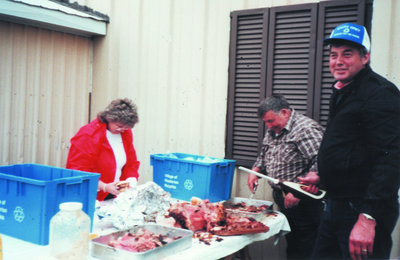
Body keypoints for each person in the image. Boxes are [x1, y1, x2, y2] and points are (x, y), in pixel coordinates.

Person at [299, 23, 400, 260]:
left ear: (365, 57)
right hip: (336, 204)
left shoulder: (380, 93)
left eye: (347, 54)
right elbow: (355, 149)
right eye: (333, 55)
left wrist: (368, 217)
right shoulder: (344, 90)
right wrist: (324, 176)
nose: (338, 61)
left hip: (361, 210)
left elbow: (393, 156)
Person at [247, 95, 325, 260]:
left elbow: (322, 163)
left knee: (306, 245)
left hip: (304, 200)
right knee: (293, 241)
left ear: (284, 112)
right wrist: (255, 169)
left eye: (271, 121)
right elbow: (264, 153)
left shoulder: (306, 128)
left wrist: (298, 192)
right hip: (283, 196)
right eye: (266, 122)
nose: (268, 126)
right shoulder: (273, 129)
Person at [66, 98, 140, 201]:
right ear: (109, 118)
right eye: (119, 126)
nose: (121, 130)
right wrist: (104, 186)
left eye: (126, 128)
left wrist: (131, 179)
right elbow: (77, 171)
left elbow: (131, 162)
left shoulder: (125, 133)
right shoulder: (88, 135)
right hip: (91, 195)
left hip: (114, 194)